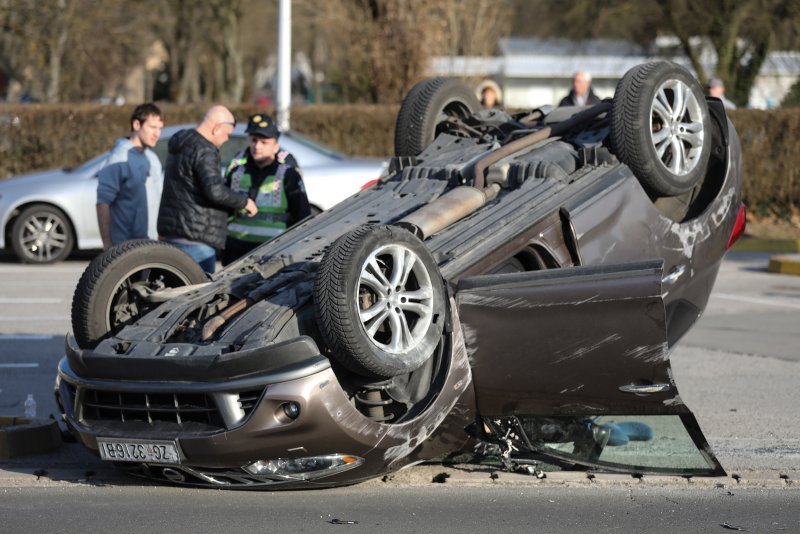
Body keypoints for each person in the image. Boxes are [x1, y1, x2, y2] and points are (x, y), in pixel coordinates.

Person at [157, 105, 257, 273]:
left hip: (173, 235)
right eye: (227, 134)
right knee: (200, 295)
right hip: (197, 239)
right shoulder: (205, 149)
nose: (226, 139)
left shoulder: (181, 143)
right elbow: (215, 191)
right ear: (216, 128)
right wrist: (244, 201)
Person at [222, 113, 311, 265]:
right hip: (235, 253)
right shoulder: (236, 171)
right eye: (254, 141)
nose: (257, 146)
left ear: (275, 146)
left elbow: (302, 217)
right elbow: (223, 211)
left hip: (273, 255)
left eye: (264, 142)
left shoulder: (288, 174)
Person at [96, 103, 164, 250]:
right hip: (126, 249)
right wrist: (107, 245)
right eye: (152, 127)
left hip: (152, 244)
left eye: (160, 128)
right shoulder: (118, 158)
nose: (157, 133)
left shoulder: (152, 158)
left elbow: (160, 199)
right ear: (136, 124)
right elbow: (103, 203)